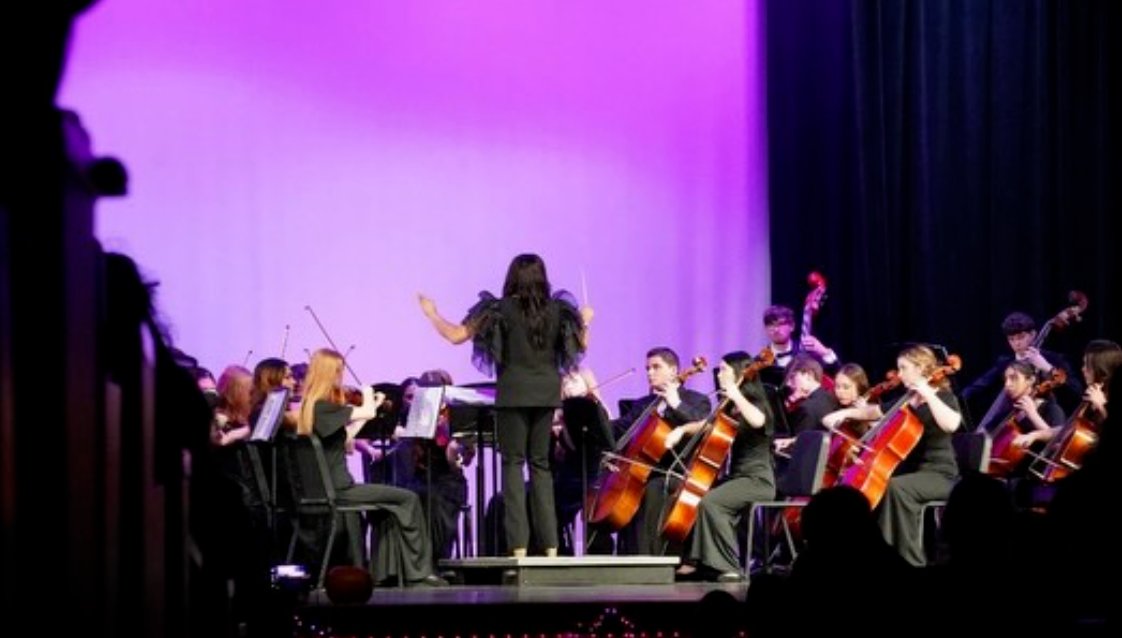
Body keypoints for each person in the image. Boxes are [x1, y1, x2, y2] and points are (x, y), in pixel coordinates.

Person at [418, 253, 590, 557]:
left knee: (513, 464)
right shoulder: (558, 311)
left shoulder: (498, 309)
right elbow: (581, 345)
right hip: (546, 394)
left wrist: (431, 313)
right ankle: (550, 547)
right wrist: (585, 321)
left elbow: (456, 335)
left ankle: (519, 547)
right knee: (541, 467)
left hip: (512, 395)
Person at [296, 348, 445, 586]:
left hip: (332, 488)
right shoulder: (323, 407)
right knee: (408, 499)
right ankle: (420, 572)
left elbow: (346, 443)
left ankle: (386, 572)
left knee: (387, 506)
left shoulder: (310, 408)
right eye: (338, 372)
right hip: (341, 489)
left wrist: (369, 411)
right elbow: (363, 410)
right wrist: (368, 395)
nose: (341, 378)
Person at [668, 351, 775, 582]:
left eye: (725, 369)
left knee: (712, 502)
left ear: (739, 373)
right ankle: (697, 561)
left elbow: (758, 420)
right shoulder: (729, 405)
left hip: (757, 480)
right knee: (696, 496)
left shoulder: (754, 402)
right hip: (737, 478)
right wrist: (681, 430)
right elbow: (707, 426)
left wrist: (736, 394)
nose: (719, 374)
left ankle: (729, 567)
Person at [607, 347, 712, 556]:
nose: (649, 373)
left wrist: (675, 403)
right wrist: (596, 412)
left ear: (674, 371)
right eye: (647, 368)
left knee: (650, 489)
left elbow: (701, 426)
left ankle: (646, 559)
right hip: (639, 470)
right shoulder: (643, 404)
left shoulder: (696, 400)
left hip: (674, 471)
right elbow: (619, 429)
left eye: (656, 367)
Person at [873, 345, 963, 567]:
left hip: (941, 474)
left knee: (898, 487)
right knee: (883, 485)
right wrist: (846, 412)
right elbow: (876, 413)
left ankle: (911, 562)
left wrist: (928, 393)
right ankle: (885, 555)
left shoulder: (943, 396)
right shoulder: (907, 400)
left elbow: (952, 424)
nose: (899, 374)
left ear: (921, 368)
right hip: (916, 473)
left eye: (904, 368)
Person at [963, 311, 1082, 425]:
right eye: (1011, 339)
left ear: (1033, 334)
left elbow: (1076, 391)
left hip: (1049, 419)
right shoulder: (1004, 363)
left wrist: (1047, 367)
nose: (1017, 344)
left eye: (1021, 337)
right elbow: (978, 386)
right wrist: (957, 401)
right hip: (1013, 423)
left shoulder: (1054, 359)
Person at [758, 305, 839, 389]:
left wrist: (824, 352)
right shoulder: (759, 362)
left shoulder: (808, 353)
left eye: (781, 324)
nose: (776, 329)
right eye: (771, 325)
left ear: (792, 326)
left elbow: (835, 373)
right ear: (765, 329)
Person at [774, 354, 839, 454]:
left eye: (792, 377)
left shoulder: (806, 408)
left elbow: (799, 451)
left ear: (808, 375)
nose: (788, 384)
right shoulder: (832, 399)